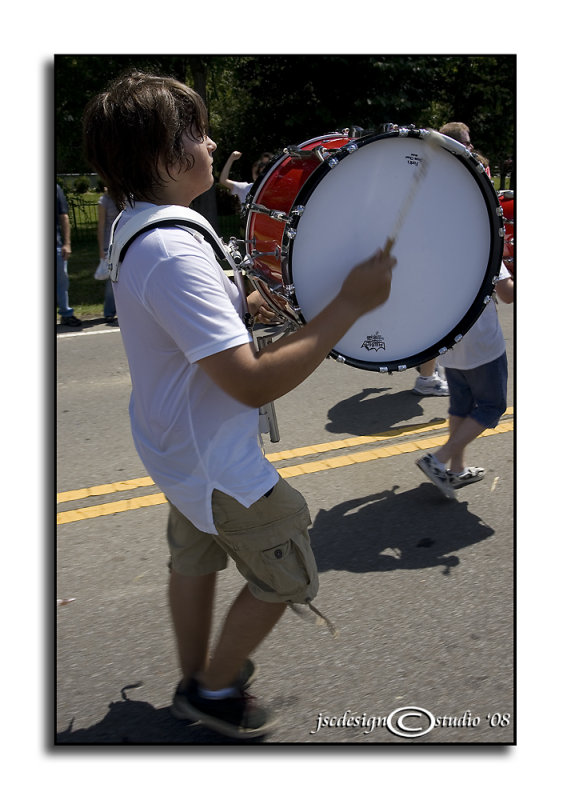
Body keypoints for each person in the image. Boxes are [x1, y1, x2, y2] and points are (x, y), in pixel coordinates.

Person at [82, 71, 396, 739]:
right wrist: (349, 303)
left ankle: (195, 676)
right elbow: (251, 384)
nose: (210, 141)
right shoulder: (171, 250)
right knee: (288, 571)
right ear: (161, 157)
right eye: (194, 133)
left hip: (176, 447)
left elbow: (189, 330)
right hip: (217, 461)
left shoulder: (146, 226)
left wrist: (246, 305)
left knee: (193, 557)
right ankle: (216, 689)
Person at [416, 259, 514, 499]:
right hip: (482, 346)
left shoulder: (434, 251)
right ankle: (438, 459)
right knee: (492, 407)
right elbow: (507, 294)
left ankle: (456, 469)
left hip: (450, 345)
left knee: (461, 408)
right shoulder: (487, 246)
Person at [56, 184, 82, 327]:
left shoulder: (55, 189)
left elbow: (64, 216)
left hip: (56, 245)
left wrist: (67, 243)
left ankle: (66, 314)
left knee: (61, 282)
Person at [97, 187, 120, 323]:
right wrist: (101, 249)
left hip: (125, 242)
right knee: (112, 281)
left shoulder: (127, 198)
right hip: (109, 245)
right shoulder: (104, 200)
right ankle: (109, 312)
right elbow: (101, 226)